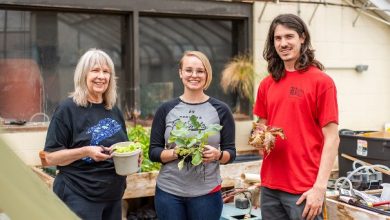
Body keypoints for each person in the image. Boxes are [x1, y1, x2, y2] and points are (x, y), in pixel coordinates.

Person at [253, 14, 340, 220]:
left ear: (302, 38)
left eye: (289, 36)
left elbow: (332, 138)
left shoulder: (321, 82)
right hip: (270, 187)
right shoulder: (267, 84)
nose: (283, 43)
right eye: (277, 38)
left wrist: (319, 188)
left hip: (304, 190)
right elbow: (261, 129)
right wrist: (259, 137)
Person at [149, 51, 236, 220]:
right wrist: (177, 152)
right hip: (169, 193)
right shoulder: (166, 109)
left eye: (200, 71)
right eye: (189, 70)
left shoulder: (221, 110)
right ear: (181, 73)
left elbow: (231, 153)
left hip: (207, 194)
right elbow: (153, 152)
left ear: (207, 75)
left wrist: (217, 155)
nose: (194, 75)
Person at [42, 48, 128, 220]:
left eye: (106, 72)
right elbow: (49, 158)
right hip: (79, 195)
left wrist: (131, 159)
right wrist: (85, 151)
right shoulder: (68, 109)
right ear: (83, 75)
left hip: (113, 196)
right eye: (95, 70)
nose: (101, 76)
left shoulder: (113, 110)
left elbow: (121, 148)